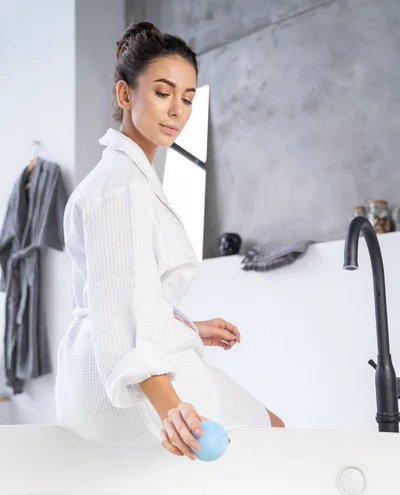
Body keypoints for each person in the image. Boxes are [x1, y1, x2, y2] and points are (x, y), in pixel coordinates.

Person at [55, 20, 284, 460]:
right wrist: (171, 409)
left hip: (99, 375)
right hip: (121, 384)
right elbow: (122, 307)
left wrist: (190, 330)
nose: (177, 110)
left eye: (188, 98)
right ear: (125, 95)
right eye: (163, 93)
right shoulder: (120, 187)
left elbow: (125, 296)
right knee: (275, 432)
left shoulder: (124, 178)